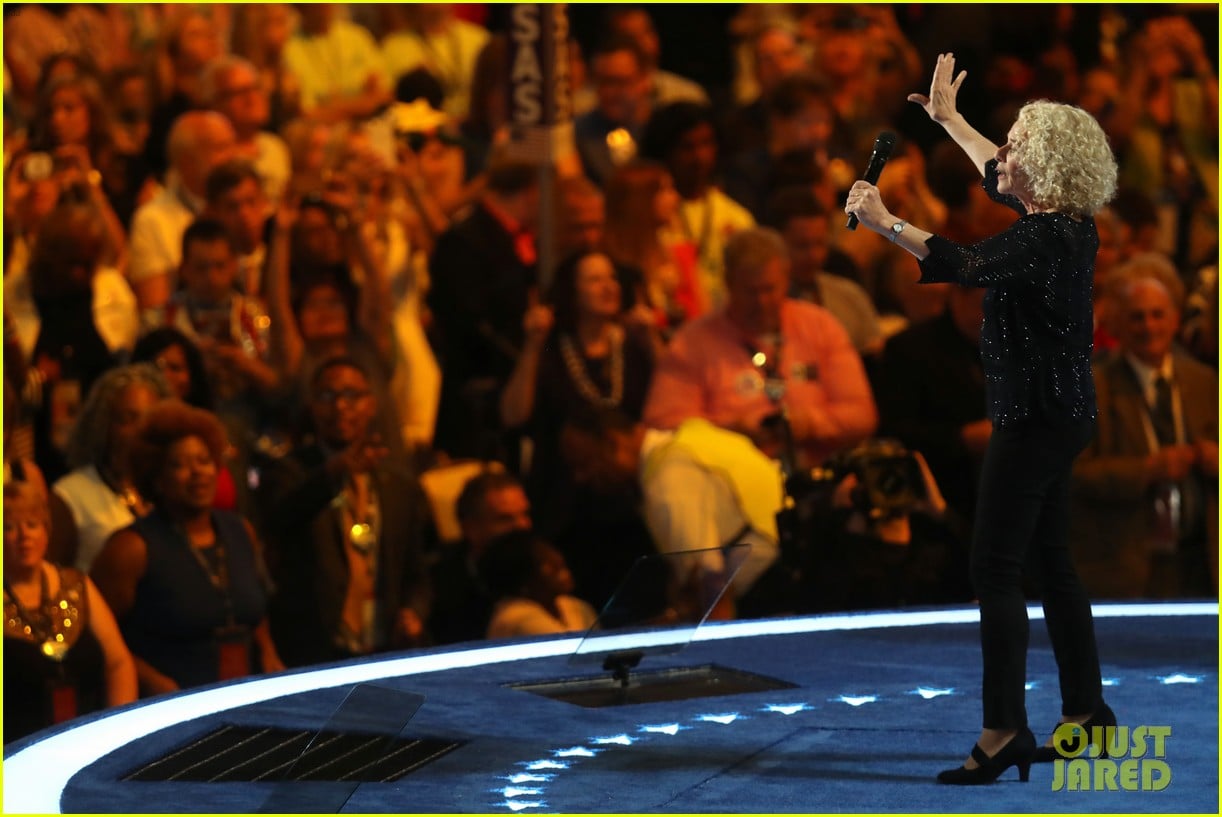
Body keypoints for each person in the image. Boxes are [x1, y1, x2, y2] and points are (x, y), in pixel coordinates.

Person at [843, 53, 1119, 784]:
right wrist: (949, 121)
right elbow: (994, 174)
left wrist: (882, 220)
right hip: (1062, 413)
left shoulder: (1040, 239)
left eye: (1017, 142)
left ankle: (1002, 730)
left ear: (1049, 164)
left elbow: (961, 266)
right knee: (1051, 562)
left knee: (994, 568)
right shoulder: (1063, 226)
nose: (1003, 152)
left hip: (1032, 420)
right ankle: (1086, 710)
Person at [642, 227, 876, 471]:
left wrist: (809, 424)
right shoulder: (691, 343)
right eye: (750, 292)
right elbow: (662, 427)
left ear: (786, 279)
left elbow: (861, 416)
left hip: (818, 474)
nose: (762, 302)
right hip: (730, 479)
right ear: (729, 283)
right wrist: (732, 431)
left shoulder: (819, 326)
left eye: (769, 289)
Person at [90, 401, 283, 696]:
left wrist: (269, 654)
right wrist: (153, 681)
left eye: (204, 461)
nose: (197, 473)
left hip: (246, 697)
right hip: (172, 705)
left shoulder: (240, 530)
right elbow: (98, 638)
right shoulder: (132, 548)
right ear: (157, 478)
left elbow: (254, 612)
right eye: (180, 464)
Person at [257, 356, 431, 666]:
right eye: (328, 396)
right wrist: (333, 473)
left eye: (352, 396)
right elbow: (280, 518)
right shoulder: (287, 473)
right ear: (312, 406)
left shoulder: (399, 486)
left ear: (372, 405)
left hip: (384, 649)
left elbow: (418, 571)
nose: (340, 407)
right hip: (313, 652)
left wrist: (414, 611)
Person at [1070, 256, 1218, 598]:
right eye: (1136, 317)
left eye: (1157, 315)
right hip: (1123, 564)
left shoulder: (1203, 381)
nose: (1148, 326)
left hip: (1201, 561)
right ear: (1118, 325)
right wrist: (1148, 469)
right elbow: (1073, 474)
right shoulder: (1091, 387)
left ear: (1176, 320)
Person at [4, 480, 137, 744]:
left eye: (32, 525)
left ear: (47, 530)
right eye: (8, 527)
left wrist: (119, 731)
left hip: (90, 740)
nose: (24, 536)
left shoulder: (77, 584)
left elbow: (119, 663)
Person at [51, 365, 171, 573]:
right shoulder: (71, 495)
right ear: (104, 425)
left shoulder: (171, 488)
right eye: (128, 419)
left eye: (149, 418)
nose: (140, 428)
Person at [428, 469, 532, 646]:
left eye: (525, 514)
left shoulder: (541, 571)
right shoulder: (440, 585)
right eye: (505, 519)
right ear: (471, 528)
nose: (522, 526)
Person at [480, 530, 598, 640]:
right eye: (544, 562)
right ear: (522, 579)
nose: (558, 562)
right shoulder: (517, 617)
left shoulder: (575, 606)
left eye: (556, 557)